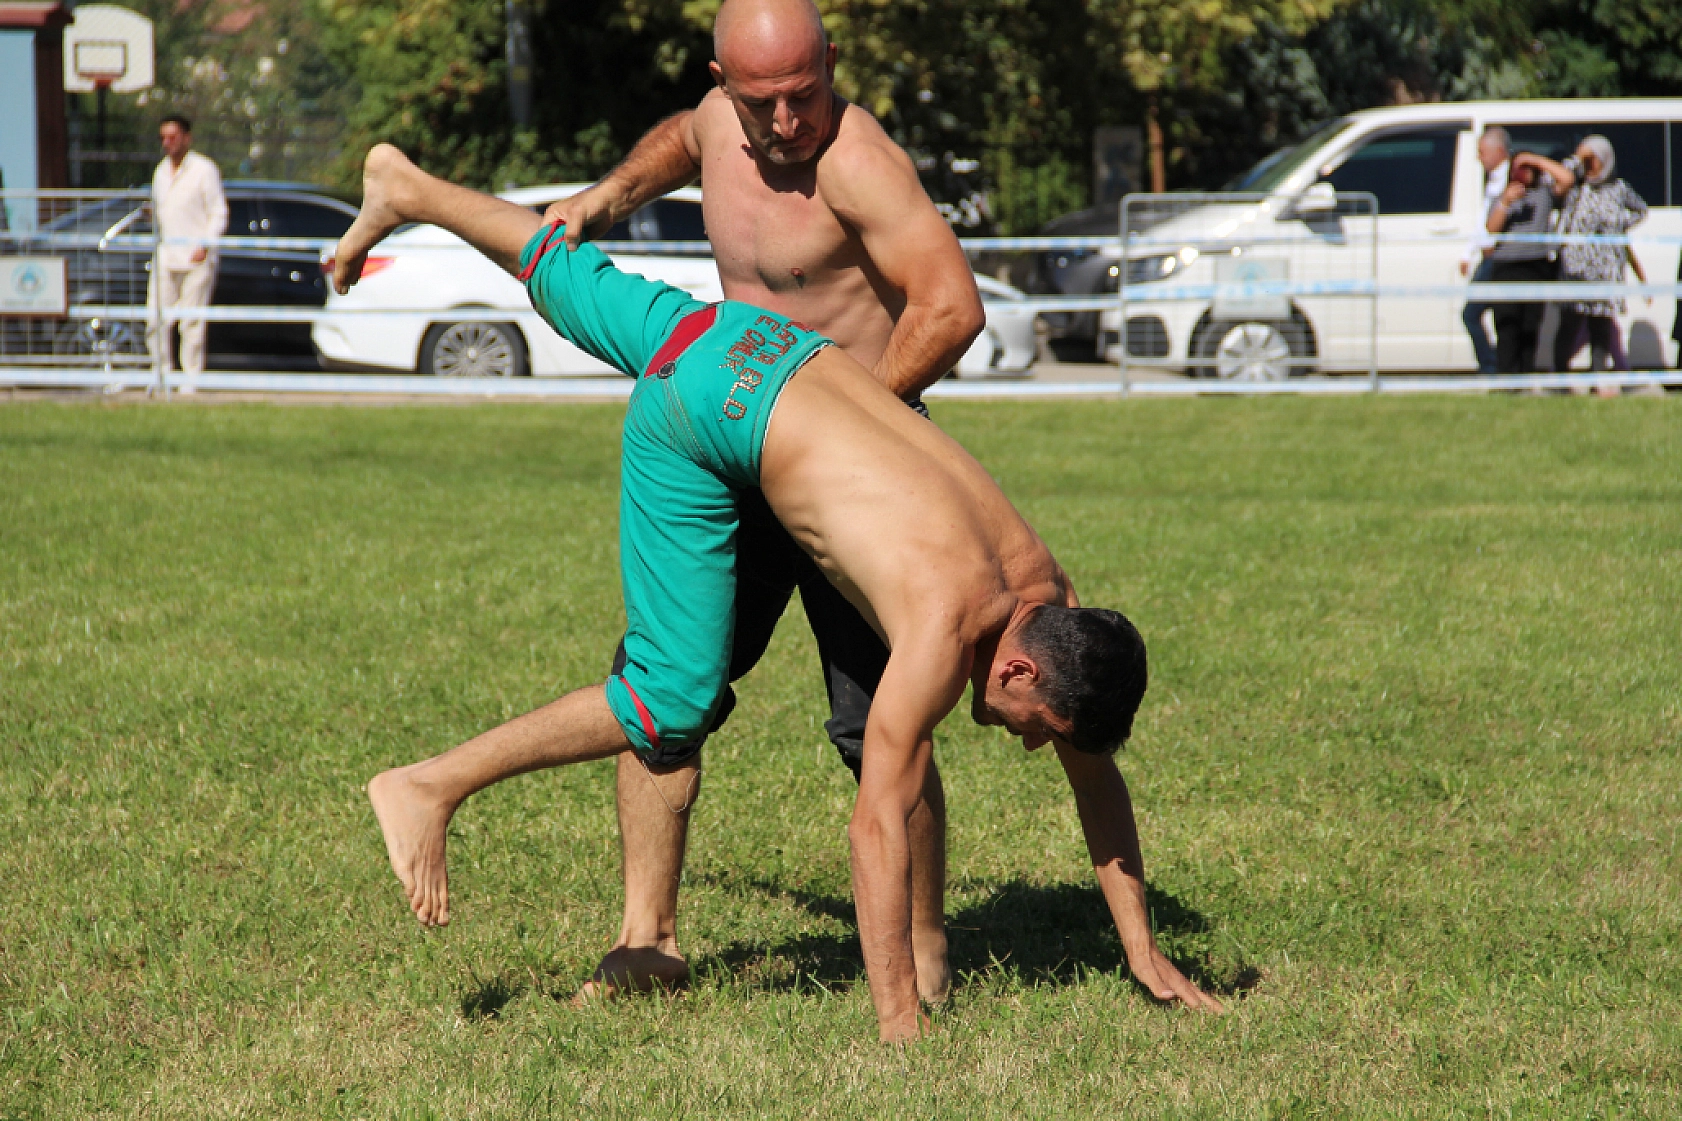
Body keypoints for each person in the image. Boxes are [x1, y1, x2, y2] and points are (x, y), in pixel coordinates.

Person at [334, 143, 1223, 1041]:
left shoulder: (1049, 595)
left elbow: (1094, 772)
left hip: (748, 336)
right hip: (697, 410)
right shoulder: (942, 627)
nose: (1036, 746)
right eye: (1041, 727)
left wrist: (1141, 946)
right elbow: (876, 822)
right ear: (1023, 670)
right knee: (669, 697)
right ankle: (430, 785)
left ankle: (406, 185)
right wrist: (898, 1024)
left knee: (564, 270)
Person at [541, 0, 986, 1003]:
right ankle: (645, 940)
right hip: (724, 467)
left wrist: (839, 429)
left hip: (853, 486)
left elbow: (952, 305)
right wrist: (607, 196)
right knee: (658, 693)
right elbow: (683, 139)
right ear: (720, 81)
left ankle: (922, 943)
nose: (789, 122)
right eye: (761, 101)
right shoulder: (718, 124)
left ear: (831, 61)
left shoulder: (856, 162)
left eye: (805, 93)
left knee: (878, 719)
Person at [1517, 139, 1649, 393]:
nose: (1591, 167)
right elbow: (1556, 178)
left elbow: (1641, 210)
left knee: (1600, 328)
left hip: (1605, 270)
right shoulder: (1576, 188)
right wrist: (1579, 157)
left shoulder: (1619, 189)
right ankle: (1561, 381)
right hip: (1575, 270)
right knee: (1568, 326)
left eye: (1594, 160)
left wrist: (1617, 223)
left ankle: (1596, 380)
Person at [146, 114, 227, 393]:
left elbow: (218, 212)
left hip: (197, 258)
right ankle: (161, 377)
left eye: (173, 137)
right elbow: (161, 214)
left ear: (187, 138)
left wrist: (205, 244)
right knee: (155, 318)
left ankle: (190, 383)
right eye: (163, 138)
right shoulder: (159, 172)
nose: (167, 143)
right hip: (166, 256)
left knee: (191, 323)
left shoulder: (204, 169)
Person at [1484, 153, 1559, 374]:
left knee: (1530, 325)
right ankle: (1507, 378)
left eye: (1527, 168)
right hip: (1507, 266)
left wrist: (1534, 159)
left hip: (1535, 265)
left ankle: (1525, 377)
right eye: (1518, 168)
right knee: (1507, 325)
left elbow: (1566, 179)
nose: (1522, 173)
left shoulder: (1544, 193)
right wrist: (1506, 203)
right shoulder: (1502, 195)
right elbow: (1492, 228)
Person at [1459, 127, 1510, 375]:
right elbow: (1483, 220)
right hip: (1488, 256)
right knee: (1474, 314)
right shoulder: (1492, 181)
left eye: (1482, 152)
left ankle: (1492, 366)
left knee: (1474, 314)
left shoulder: (1511, 178)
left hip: (1501, 257)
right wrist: (1468, 252)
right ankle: (1493, 364)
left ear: (1499, 152)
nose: (1479, 158)